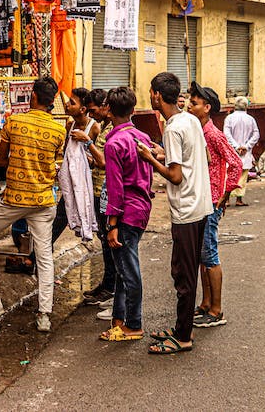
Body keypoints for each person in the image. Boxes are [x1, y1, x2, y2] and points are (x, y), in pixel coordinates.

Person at [0, 77, 66, 332]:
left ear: (34, 96)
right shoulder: (59, 130)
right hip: (44, 200)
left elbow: (1, 158)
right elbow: (56, 163)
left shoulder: (14, 122)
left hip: (16, 199)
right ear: (52, 101)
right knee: (44, 255)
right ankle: (44, 315)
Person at [137, 73, 213, 354]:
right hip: (200, 204)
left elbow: (176, 176)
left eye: (150, 92)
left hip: (187, 208)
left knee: (183, 274)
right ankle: (182, 328)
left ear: (157, 95)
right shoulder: (190, 120)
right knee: (187, 270)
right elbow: (193, 158)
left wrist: (149, 158)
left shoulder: (172, 128)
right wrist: (161, 152)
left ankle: (183, 337)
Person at [99, 87, 154, 343]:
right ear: (133, 110)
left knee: (128, 270)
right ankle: (119, 320)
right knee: (124, 268)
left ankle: (134, 323)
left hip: (126, 213)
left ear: (109, 110)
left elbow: (115, 188)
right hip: (141, 208)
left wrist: (111, 223)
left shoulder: (113, 143)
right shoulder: (141, 136)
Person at [187, 83, 242, 329]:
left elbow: (236, 163)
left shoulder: (213, 135)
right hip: (201, 199)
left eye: (195, 103)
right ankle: (205, 303)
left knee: (209, 255)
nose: (189, 105)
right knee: (202, 255)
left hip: (211, 201)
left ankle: (217, 309)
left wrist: (226, 192)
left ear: (207, 108)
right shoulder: (198, 131)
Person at [72, 89, 115, 306]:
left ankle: (111, 288)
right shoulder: (104, 126)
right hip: (98, 190)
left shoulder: (111, 129)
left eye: (94, 109)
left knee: (110, 242)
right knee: (105, 241)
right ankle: (108, 285)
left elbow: (105, 163)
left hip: (107, 192)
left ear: (106, 106)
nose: (92, 114)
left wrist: (88, 142)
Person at [52, 88, 99, 245]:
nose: (66, 104)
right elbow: (67, 152)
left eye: (72, 102)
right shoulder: (70, 125)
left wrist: (85, 157)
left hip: (88, 183)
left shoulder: (94, 128)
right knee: (61, 214)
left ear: (83, 109)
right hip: (71, 180)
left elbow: (98, 159)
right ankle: (39, 254)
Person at [223, 97, 259, 206]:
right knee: (242, 178)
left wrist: (236, 147)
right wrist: (246, 147)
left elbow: (226, 134)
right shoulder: (251, 119)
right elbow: (256, 134)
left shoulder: (229, 118)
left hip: (232, 153)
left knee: (229, 176)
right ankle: (239, 200)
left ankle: (227, 199)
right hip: (245, 153)